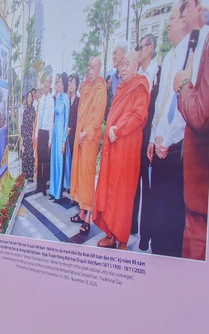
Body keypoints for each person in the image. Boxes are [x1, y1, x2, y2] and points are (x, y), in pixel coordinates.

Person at [93, 50, 150, 250]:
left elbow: (138, 115)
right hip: (114, 148)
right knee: (110, 191)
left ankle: (123, 239)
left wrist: (118, 128)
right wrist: (111, 129)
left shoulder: (141, 85)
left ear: (136, 66)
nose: (123, 68)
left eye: (127, 64)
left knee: (123, 194)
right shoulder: (121, 87)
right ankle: (110, 234)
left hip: (127, 150)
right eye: (122, 64)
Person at [147, 2, 189, 257]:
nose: (168, 24)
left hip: (176, 147)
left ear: (184, 21)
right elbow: (161, 105)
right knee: (158, 210)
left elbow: (183, 105)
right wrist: (153, 138)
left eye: (171, 18)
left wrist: (168, 139)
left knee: (171, 214)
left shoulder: (190, 56)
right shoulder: (168, 56)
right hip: (161, 145)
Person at [175, 0, 209, 261]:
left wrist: (183, 87)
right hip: (196, 185)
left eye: (184, 7)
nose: (181, 15)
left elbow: (201, 114)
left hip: (204, 189)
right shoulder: (202, 40)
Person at [71, 56, 107, 235]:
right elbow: (80, 113)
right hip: (80, 138)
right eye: (88, 66)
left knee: (87, 177)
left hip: (89, 139)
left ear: (99, 69)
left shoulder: (101, 89)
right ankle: (81, 211)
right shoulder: (85, 87)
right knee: (79, 176)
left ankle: (88, 218)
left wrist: (86, 133)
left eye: (92, 67)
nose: (89, 70)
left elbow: (98, 116)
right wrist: (79, 133)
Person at [134, 33, 162, 250]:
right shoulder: (137, 75)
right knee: (134, 185)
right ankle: (132, 227)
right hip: (135, 137)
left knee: (149, 189)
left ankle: (147, 237)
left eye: (141, 47)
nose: (139, 50)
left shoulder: (159, 74)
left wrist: (152, 138)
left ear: (151, 48)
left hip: (150, 139)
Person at [49, 73, 70, 201]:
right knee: (54, 162)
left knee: (59, 161)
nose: (57, 84)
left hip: (61, 132)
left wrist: (63, 141)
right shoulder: (57, 97)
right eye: (57, 82)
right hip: (55, 130)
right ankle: (52, 190)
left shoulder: (66, 98)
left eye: (60, 82)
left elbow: (66, 120)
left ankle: (58, 193)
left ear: (64, 84)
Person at [35, 75, 54, 196]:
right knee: (39, 160)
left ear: (50, 84)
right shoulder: (41, 100)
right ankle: (38, 185)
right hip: (40, 133)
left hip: (47, 133)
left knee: (45, 161)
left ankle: (43, 186)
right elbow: (38, 118)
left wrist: (50, 139)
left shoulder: (52, 100)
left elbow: (51, 120)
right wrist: (36, 133)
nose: (46, 84)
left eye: (48, 82)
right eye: (44, 82)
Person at [65, 74, 80, 192]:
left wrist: (72, 128)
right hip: (67, 133)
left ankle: (73, 184)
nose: (70, 85)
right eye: (70, 83)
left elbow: (78, 118)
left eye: (73, 84)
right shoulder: (67, 99)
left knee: (74, 159)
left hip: (75, 132)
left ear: (76, 86)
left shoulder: (79, 101)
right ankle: (68, 183)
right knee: (67, 158)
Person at [20, 90, 36, 182]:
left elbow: (35, 123)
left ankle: (30, 175)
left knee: (30, 155)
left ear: (32, 98)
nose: (29, 99)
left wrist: (34, 135)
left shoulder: (34, 110)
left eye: (30, 97)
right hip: (25, 135)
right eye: (28, 97)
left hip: (31, 135)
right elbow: (22, 125)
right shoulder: (24, 110)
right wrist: (21, 139)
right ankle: (24, 174)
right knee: (25, 155)